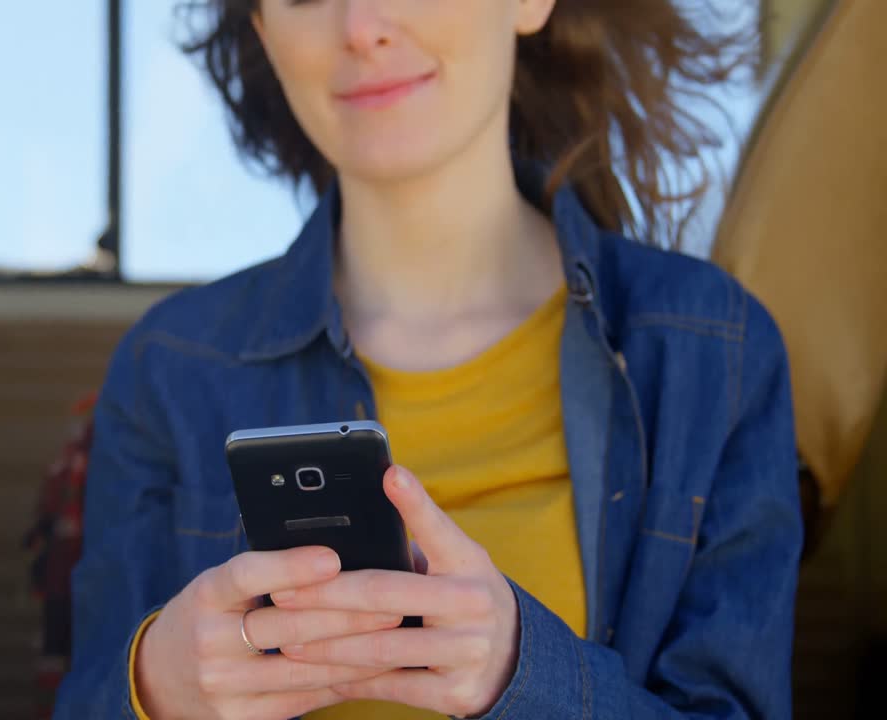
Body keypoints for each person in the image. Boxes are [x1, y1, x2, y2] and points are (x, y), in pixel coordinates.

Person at [52, 1, 802, 718]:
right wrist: (158, 686)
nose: (361, 27)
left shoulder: (719, 350)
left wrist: (520, 672)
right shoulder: (166, 367)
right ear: (264, 31)